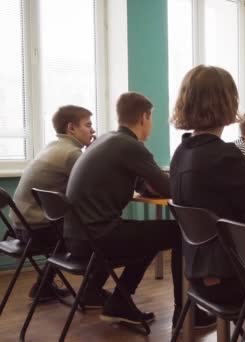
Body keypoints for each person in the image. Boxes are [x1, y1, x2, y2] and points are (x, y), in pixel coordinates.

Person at [169, 65, 245, 311]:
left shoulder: (182, 152)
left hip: (199, 273)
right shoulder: (224, 155)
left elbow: (215, 202)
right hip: (234, 278)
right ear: (226, 102)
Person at [63, 92, 185, 326]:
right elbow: (169, 188)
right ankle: (185, 313)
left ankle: (107, 297)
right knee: (176, 231)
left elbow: (141, 181)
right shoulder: (131, 146)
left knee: (150, 234)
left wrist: (151, 186)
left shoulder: (106, 140)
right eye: (151, 119)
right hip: (96, 237)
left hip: (74, 237)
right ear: (144, 117)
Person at [11, 105, 95, 302]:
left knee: (68, 225)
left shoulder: (54, 146)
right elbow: (94, 188)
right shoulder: (72, 154)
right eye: (88, 125)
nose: (92, 130)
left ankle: (43, 286)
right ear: (71, 128)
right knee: (95, 234)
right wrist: (95, 153)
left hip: (20, 226)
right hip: (37, 230)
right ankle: (92, 293)